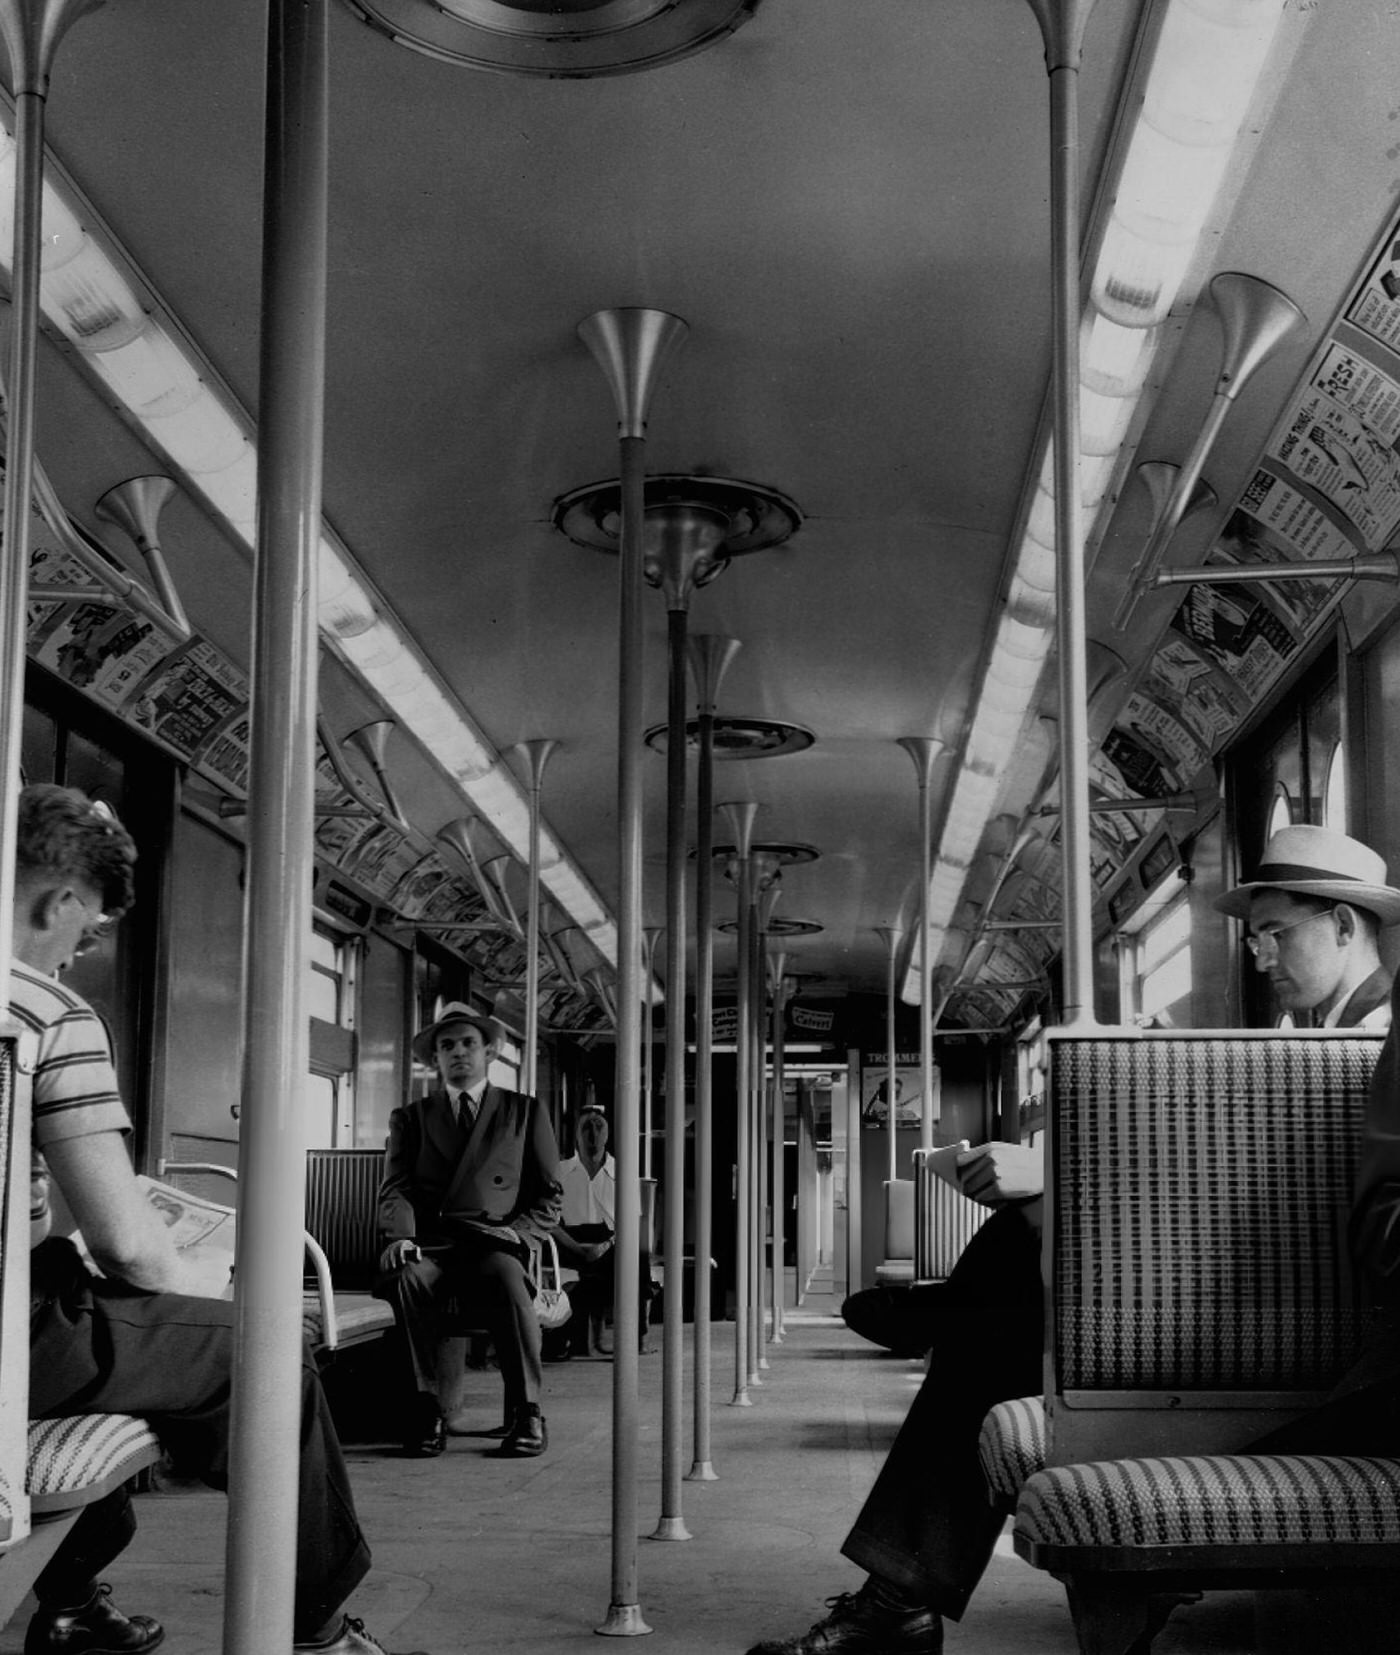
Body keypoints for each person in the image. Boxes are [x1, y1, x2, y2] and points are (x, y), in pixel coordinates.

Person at [745, 822, 1400, 1655]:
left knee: (998, 1321)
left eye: (1278, 932)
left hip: (1314, 1321)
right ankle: (904, 1562)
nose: (1262, 954)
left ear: (1343, 924)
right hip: (1274, 1287)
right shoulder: (1305, 1038)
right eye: (1254, 937)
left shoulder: (1375, 1037)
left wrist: (1066, 1188)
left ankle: (903, 1568)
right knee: (1013, 1282)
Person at [17, 783, 424, 1655]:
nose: (84, 951)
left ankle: (72, 1600)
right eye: (88, 930)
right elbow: (129, 1244)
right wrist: (190, 1287)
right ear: (59, 901)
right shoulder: (45, 1012)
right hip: (14, 1333)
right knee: (261, 1345)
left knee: (132, 1329)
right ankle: (318, 1629)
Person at [375, 1003, 562, 1458]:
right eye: (447, 1046)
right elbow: (396, 1187)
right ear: (435, 1058)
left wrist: (520, 1234)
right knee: (407, 1279)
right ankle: (426, 1408)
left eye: (468, 1043)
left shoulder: (524, 1112)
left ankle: (527, 1411)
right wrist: (401, 1236)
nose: (458, 1052)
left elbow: (549, 1195)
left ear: (489, 1052)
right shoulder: (411, 1118)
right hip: (434, 1245)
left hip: (494, 1241)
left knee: (508, 1277)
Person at [554, 1105, 617, 1356]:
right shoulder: (559, 1171)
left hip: (608, 1244)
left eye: (599, 1127)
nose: (593, 1133)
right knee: (569, 1267)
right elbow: (549, 1220)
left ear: (608, 1133)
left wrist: (604, 1246)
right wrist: (577, 1248)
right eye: (586, 1127)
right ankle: (571, 1338)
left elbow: (632, 1222)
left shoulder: (622, 1172)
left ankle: (600, 1338)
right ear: (576, 1135)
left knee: (624, 1264)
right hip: (568, 1241)